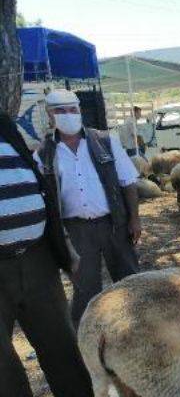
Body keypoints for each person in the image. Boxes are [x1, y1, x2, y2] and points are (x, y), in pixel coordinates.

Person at [0, 109, 105, 397]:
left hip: (36, 257)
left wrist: (65, 250)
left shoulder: (9, 133)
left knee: (60, 338)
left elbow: (43, 193)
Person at [34, 90, 141, 329]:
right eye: (60, 111)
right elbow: (42, 196)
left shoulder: (104, 141)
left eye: (73, 109)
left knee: (130, 278)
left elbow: (128, 181)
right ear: (50, 116)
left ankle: (140, 327)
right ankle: (86, 340)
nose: (68, 115)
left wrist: (134, 219)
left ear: (80, 111)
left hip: (113, 222)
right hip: (76, 230)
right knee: (85, 287)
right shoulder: (44, 153)